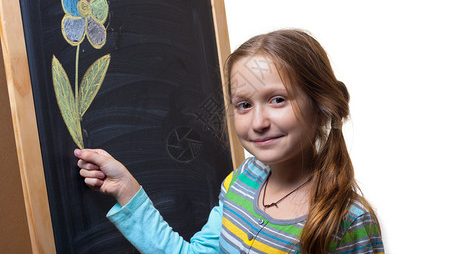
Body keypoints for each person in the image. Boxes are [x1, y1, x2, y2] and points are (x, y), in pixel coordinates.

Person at [75, 29, 384, 253]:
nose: (259, 122)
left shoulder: (348, 221)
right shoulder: (241, 182)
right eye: (244, 105)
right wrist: (127, 190)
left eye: (277, 100)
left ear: (320, 108)